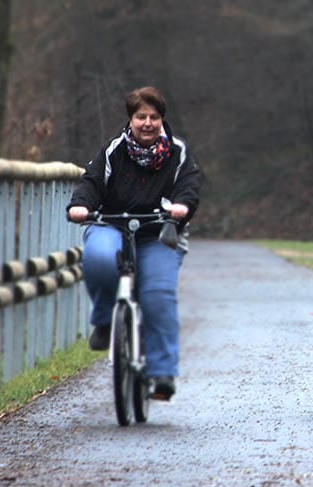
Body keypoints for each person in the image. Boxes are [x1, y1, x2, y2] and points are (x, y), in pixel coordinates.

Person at [67, 86, 203, 401]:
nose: (147, 123)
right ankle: (103, 320)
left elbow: (189, 185)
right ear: (130, 119)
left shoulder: (178, 152)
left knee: (157, 294)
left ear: (162, 120)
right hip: (112, 223)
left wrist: (183, 206)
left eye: (154, 117)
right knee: (99, 257)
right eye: (141, 116)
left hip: (159, 230)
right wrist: (80, 205)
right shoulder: (114, 149)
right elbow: (91, 182)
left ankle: (161, 372)